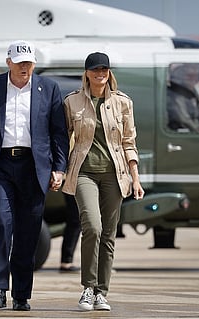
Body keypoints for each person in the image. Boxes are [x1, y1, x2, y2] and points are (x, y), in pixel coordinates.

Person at [0, 40, 69, 311]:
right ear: (8, 62)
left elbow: (58, 132)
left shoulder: (49, 88)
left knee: (27, 231)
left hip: (34, 167)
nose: (25, 67)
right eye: (20, 62)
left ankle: (21, 294)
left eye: (29, 62)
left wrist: (59, 168)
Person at [62, 52, 145, 311]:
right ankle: (87, 288)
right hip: (83, 172)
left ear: (109, 72)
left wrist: (135, 178)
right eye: (95, 69)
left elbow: (129, 142)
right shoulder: (72, 102)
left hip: (115, 175)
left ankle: (101, 292)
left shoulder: (123, 103)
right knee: (93, 227)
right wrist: (57, 170)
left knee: (109, 235)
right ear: (87, 73)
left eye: (104, 69)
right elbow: (62, 139)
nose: (100, 73)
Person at [59, 193, 81, 273]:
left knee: (75, 220)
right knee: (75, 219)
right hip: (72, 184)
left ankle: (66, 260)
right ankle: (66, 261)